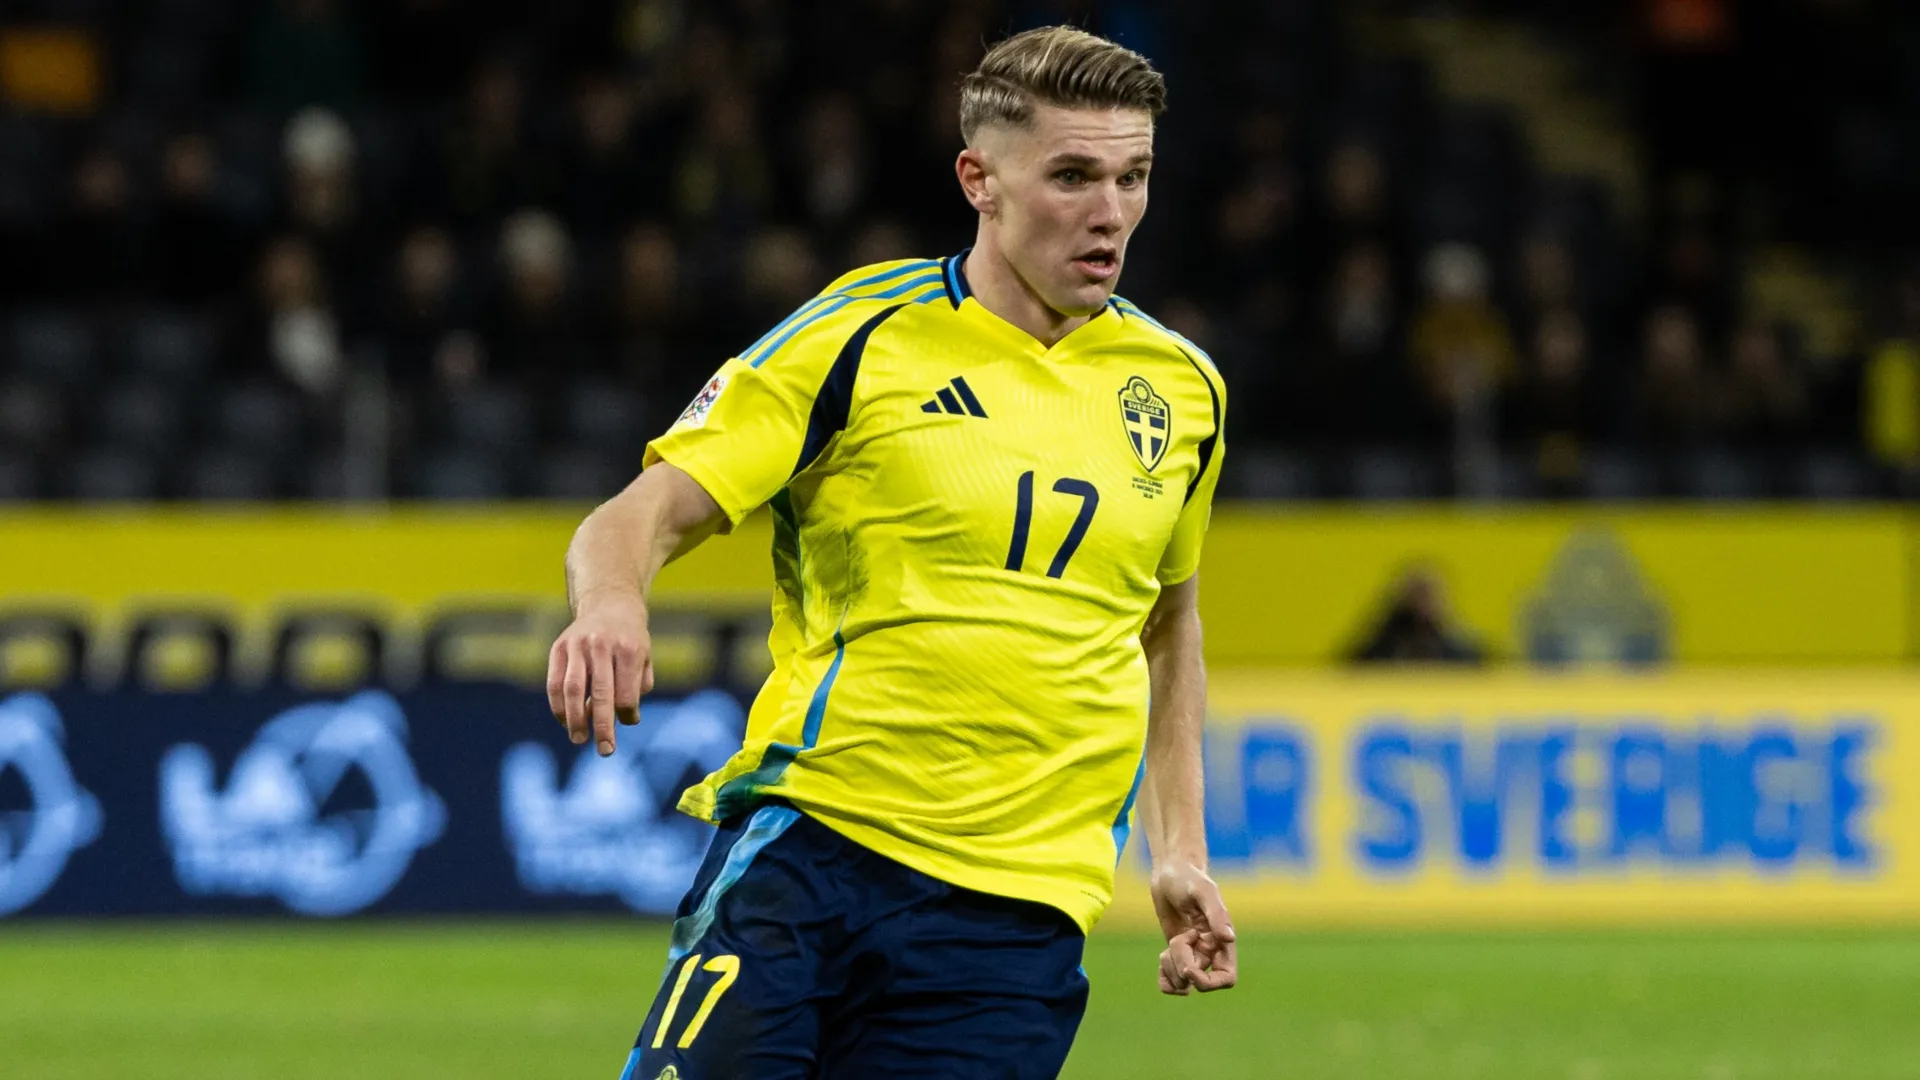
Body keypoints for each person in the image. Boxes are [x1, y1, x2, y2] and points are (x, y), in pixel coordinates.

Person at [545, 26, 1235, 1080]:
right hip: (819, 852)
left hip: (1019, 913)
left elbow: (1166, 620)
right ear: (980, 179)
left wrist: (1176, 845)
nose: (1110, 213)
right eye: (1073, 176)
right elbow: (638, 515)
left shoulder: (1181, 388)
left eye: (1133, 177)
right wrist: (611, 604)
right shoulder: (861, 336)